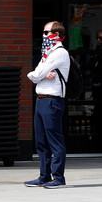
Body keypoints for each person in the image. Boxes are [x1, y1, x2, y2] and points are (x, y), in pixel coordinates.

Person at [24, 20, 70, 189]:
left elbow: (36, 74)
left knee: (54, 140)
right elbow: (34, 74)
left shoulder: (59, 53)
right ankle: (44, 176)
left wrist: (40, 75)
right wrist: (40, 75)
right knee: (41, 141)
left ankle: (58, 177)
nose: (44, 36)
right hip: (41, 99)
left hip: (52, 100)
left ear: (56, 34)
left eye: (46, 33)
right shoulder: (47, 54)